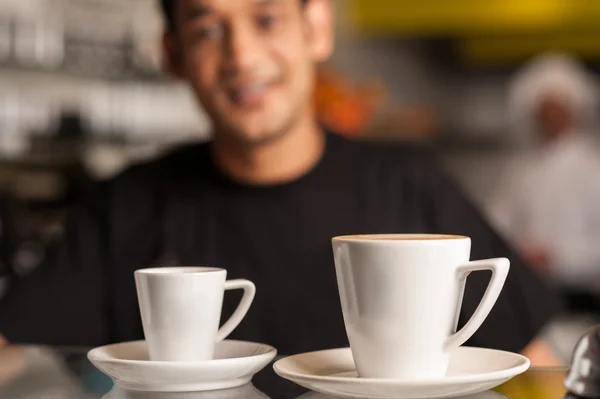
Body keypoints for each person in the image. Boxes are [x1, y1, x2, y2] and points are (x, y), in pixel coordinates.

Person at [0, 0, 560, 365]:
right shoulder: (125, 205)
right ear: (173, 54)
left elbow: (532, 357)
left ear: (315, 28)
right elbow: (14, 348)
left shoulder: (411, 183)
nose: (241, 57)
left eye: (265, 20)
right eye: (208, 30)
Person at [488, 53, 600, 312]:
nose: (552, 116)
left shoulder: (593, 168)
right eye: (546, 108)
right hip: (525, 293)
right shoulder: (520, 169)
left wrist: (556, 256)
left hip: (580, 299)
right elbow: (497, 222)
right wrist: (519, 249)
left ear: (576, 110)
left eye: (559, 108)